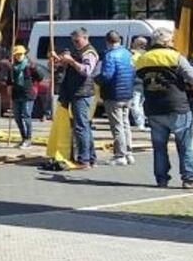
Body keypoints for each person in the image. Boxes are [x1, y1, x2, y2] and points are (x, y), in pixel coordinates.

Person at [134, 28, 193, 188]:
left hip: (153, 107)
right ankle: (189, 179)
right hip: (177, 105)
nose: (172, 43)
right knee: (185, 145)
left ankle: (161, 179)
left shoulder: (143, 59)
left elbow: (138, 77)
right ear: (166, 42)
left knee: (159, 147)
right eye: (171, 41)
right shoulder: (175, 56)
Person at [52, 28, 100, 168]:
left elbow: (86, 71)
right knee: (84, 126)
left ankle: (84, 159)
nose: (75, 44)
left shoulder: (89, 52)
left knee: (81, 126)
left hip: (82, 93)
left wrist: (71, 61)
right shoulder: (79, 52)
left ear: (85, 37)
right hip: (75, 92)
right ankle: (90, 157)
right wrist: (59, 60)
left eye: (77, 41)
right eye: (73, 41)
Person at [95, 31, 136, 165]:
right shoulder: (127, 53)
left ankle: (120, 155)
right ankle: (129, 152)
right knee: (125, 123)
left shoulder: (109, 55)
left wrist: (96, 79)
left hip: (113, 94)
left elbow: (107, 75)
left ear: (107, 41)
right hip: (127, 93)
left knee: (117, 125)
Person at [7, 45, 43, 149]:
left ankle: (28, 139)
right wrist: (9, 89)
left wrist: (34, 70)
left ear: (24, 54)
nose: (18, 56)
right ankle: (23, 138)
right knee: (17, 117)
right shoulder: (13, 66)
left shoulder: (30, 65)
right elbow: (9, 81)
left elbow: (40, 77)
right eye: (16, 55)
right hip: (16, 94)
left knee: (26, 116)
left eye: (20, 54)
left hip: (28, 94)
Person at [129, 36, 148, 129]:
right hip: (145, 82)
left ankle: (140, 123)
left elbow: (130, 68)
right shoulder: (147, 55)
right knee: (140, 104)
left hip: (135, 82)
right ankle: (142, 123)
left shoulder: (132, 55)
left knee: (134, 104)